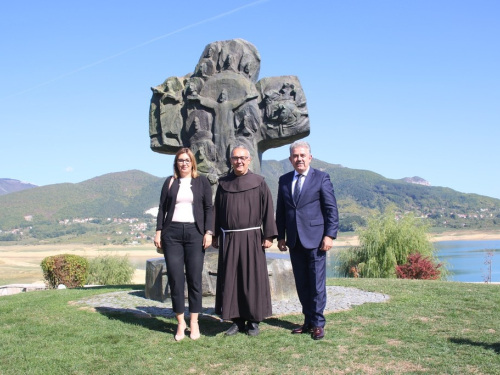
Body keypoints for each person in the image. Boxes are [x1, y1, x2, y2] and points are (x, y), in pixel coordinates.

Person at [276, 140, 339, 340]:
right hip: (294, 241)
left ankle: (319, 323)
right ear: (290, 159)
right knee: (302, 283)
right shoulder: (284, 180)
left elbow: (331, 209)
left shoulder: (321, 178)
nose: (299, 159)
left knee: (317, 284)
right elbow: (281, 212)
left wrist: (329, 235)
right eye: (295, 156)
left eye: (303, 155)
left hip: (316, 240)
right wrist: (281, 236)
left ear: (310, 157)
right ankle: (308, 321)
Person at [212, 145, 277, 336]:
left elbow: (267, 209)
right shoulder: (223, 183)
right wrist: (215, 234)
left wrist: (268, 235)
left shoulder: (259, 182)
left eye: (242, 158)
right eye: (235, 158)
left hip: (253, 238)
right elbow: (217, 211)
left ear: (249, 160)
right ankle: (236, 320)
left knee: (252, 278)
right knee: (232, 278)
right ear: (231, 161)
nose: (238, 161)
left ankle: (254, 320)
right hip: (230, 238)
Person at [154, 147, 213, 341]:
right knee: (175, 278)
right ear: (176, 163)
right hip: (172, 235)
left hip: (195, 233)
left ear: (192, 163)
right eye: (181, 160)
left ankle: (194, 322)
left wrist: (208, 232)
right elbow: (162, 208)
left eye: (187, 160)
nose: (184, 163)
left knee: (195, 278)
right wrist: (158, 232)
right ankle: (181, 323)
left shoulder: (201, 182)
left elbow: (208, 208)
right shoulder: (170, 182)